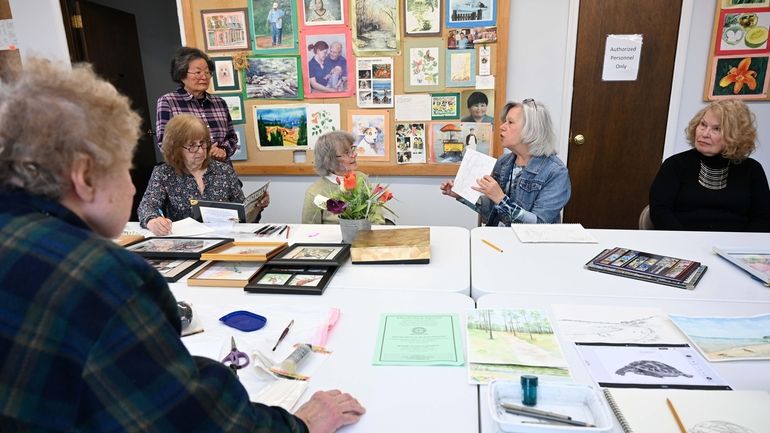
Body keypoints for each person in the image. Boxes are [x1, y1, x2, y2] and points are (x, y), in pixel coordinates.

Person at [0, 58, 365, 433]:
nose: (130, 186)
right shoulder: (104, 278)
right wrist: (300, 423)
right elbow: (189, 416)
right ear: (83, 177)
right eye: (124, 168)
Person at [440, 99, 572, 225]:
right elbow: (492, 212)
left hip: (531, 245)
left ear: (532, 129)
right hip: (501, 238)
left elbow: (539, 225)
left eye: (510, 122)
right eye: (504, 122)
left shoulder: (555, 172)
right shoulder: (503, 162)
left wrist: (500, 199)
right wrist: (461, 195)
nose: (502, 127)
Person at [649, 100, 770, 231]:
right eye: (703, 124)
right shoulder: (675, 164)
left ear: (736, 135)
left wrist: (742, 246)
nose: (704, 134)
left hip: (736, 246)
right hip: (682, 243)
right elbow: (660, 212)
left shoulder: (752, 169)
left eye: (716, 129)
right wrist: (685, 242)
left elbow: (763, 218)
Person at [139, 114, 268, 234]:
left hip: (225, 240)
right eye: (192, 146)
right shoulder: (164, 173)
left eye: (203, 143)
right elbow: (147, 206)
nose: (200, 151)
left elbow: (242, 212)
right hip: (185, 243)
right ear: (176, 149)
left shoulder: (224, 171)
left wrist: (256, 207)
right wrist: (153, 222)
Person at [156, 47, 238, 164]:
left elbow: (232, 138)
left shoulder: (219, 103)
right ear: (182, 74)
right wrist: (200, 153)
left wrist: (223, 150)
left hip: (222, 175)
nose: (204, 77)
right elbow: (164, 144)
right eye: (198, 72)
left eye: (207, 72)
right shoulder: (168, 101)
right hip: (188, 175)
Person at [302, 131, 385, 224]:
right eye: (346, 152)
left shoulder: (362, 178)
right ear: (329, 159)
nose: (354, 155)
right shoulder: (315, 192)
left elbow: (377, 214)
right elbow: (309, 231)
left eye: (352, 149)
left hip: (366, 236)